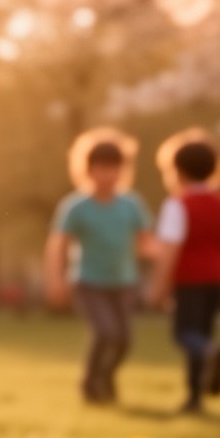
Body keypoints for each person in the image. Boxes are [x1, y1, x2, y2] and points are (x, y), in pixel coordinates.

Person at [44, 128, 156, 404]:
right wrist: (56, 281)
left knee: (124, 340)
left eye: (115, 168)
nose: (109, 175)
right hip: (89, 282)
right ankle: (90, 383)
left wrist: (166, 262)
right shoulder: (76, 206)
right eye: (102, 168)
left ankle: (104, 377)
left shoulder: (132, 205)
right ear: (88, 170)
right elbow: (58, 245)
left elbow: (147, 243)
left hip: (124, 282)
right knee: (106, 332)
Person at [150, 130, 220, 415]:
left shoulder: (178, 204)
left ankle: (206, 365)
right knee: (203, 335)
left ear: (176, 171)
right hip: (218, 280)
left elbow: (169, 250)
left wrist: (158, 288)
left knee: (184, 334)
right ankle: (195, 398)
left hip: (189, 281)